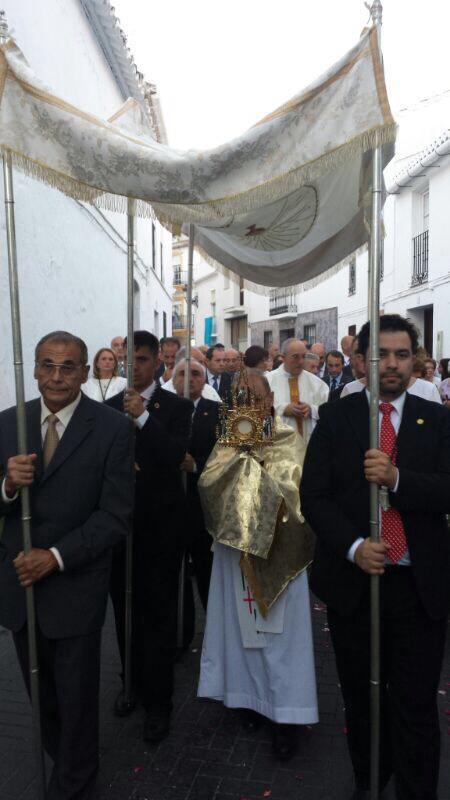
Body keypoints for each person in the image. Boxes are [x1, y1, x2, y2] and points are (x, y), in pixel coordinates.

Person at [301, 314, 450, 800]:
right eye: (381, 354)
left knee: (415, 707)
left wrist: (398, 479)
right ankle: (368, 782)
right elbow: (314, 495)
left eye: (401, 354)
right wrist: (353, 547)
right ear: (363, 360)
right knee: (364, 701)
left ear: (417, 361)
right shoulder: (336, 417)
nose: (391, 364)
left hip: (417, 590)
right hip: (356, 587)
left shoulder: (440, 421)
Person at [0, 330, 134, 800]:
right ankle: (70, 762)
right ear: (35, 369)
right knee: (44, 700)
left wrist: (55, 557)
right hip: (21, 589)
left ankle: (74, 783)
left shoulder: (112, 428)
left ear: (84, 372)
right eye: (47, 365)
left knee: (76, 700)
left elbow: (116, 516)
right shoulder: (7, 423)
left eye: (68, 366)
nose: (56, 377)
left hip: (75, 586)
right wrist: (7, 487)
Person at [198, 369, 318, 760]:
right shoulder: (226, 441)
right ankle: (249, 698)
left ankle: (287, 715)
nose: (247, 401)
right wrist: (242, 458)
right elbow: (209, 485)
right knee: (242, 635)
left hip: (280, 554)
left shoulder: (288, 439)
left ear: (269, 399)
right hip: (236, 554)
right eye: (239, 396)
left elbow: (293, 493)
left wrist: (251, 468)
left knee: (281, 641)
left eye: (254, 394)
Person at [108, 331, 193, 743]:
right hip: (118, 530)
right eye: (129, 360)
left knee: (157, 616)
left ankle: (159, 702)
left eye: (142, 359)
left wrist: (143, 416)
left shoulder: (175, 406)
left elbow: (176, 454)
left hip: (160, 528)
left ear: (157, 360)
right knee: (123, 611)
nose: (134, 367)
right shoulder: (108, 408)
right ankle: (132, 683)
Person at [172, 359, 220, 646]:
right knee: (175, 578)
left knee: (207, 574)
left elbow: (227, 459)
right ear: (171, 378)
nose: (188, 379)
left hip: (204, 507)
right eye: (181, 373)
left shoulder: (217, 412)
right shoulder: (157, 410)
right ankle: (181, 634)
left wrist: (197, 466)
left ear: (204, 380)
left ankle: (215, 636)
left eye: (195, 374)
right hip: (171, 506)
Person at [268, 338, 329, 443]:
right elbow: (256, 414)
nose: (301, 361)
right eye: (295, 357)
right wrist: (282, 409)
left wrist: (311, 410)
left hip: (308, 448)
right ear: (283, 358)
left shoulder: (317, 384)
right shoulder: (267, 382)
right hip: (277, 451)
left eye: (303, 356)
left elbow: (327, 413)